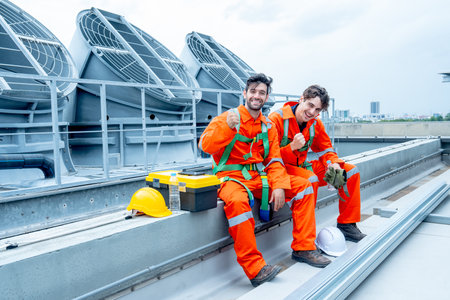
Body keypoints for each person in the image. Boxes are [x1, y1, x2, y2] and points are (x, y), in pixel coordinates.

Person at [199, 74, 330, 288]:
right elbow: (205, 146)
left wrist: (279, 185)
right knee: (239, 205)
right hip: (231, 178)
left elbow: (275, 160)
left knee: (304, 187)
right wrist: (227, 128)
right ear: (245, 93)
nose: (256, 96)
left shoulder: (267, 126)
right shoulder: (227, 118)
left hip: (261, 178)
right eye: (253, 91)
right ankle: (255, 268)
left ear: (267, 97)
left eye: (262, 93)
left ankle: (304, 247)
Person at [269, 85, 366, 242]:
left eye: (317, 110)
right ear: (302, 99)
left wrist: (333, 163)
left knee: (349, 171)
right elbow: (268, 158)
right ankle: (305, 239)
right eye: (310, 105)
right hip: (282, 170)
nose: (312, 112)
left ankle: (347, 225)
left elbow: (326, 150)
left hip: (302, 166)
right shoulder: (277, 120)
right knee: (310, 179)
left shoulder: (314, 123)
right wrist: (291, 147)